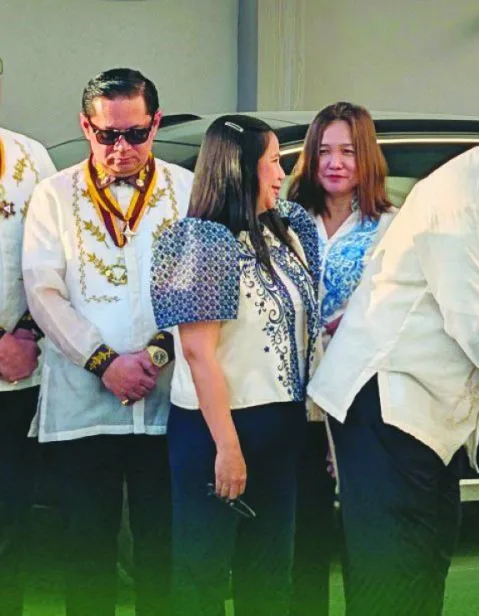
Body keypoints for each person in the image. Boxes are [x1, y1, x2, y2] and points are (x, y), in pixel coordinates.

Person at [307, 92, 479, 614]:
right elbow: (474, 320)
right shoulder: (463, 197)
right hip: (388, 400)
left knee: (428, 557)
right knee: (391, 571)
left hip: (430, 416)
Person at [21, 67, 192, 616]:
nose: (121, 148)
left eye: (136, 134)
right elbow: (42, 290)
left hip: (165, 396)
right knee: (87, 552)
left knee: (161, 546)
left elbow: (199, 288)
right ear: (85, 127)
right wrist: (105, 362)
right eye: (107, 135)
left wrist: (155, 354)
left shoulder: (186, 191)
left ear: (156, 123)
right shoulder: (53, 194)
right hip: (83, 398)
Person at [151, 114, 321, 616]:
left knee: (270, 574)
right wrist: (228, 448)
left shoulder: (288, 229)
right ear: (240, 170)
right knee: (202, 575)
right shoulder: (199, 242)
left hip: (280, 420)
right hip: (217, 426)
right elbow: (199, 353)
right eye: (272, 161)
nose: (281, 171)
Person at [284, 101, 396, 615]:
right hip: (287, 395)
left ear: (366, 157)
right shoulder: (283, 221)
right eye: (324, 151)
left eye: (348, 151)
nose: (335, 163)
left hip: (357, 399)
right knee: (297, 534)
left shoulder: (390, 228)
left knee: (362, 536)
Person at [0, 112, 57, 614]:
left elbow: (48, 258)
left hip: (16, 375)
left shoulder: (29, 155)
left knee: (9, 524)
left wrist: (29, 333)